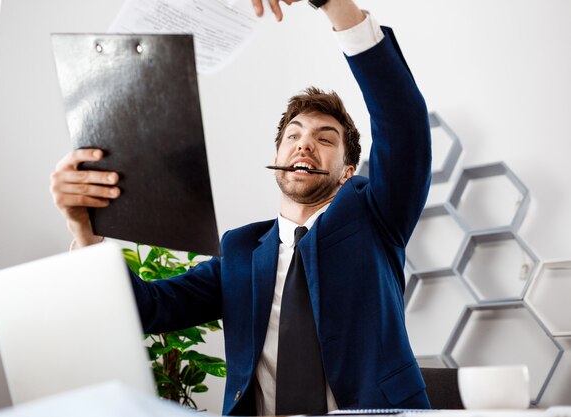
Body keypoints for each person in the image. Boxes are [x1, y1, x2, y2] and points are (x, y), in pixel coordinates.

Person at [50, 0, 432, 415]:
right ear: (277, 155)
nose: (305, 143)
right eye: (294, 135)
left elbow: (403, 122)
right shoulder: (241, 251)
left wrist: (335, 5)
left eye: (325, 139)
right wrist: (85, 231)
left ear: (347, 172)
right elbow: (147, 309)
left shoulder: (375, 215)